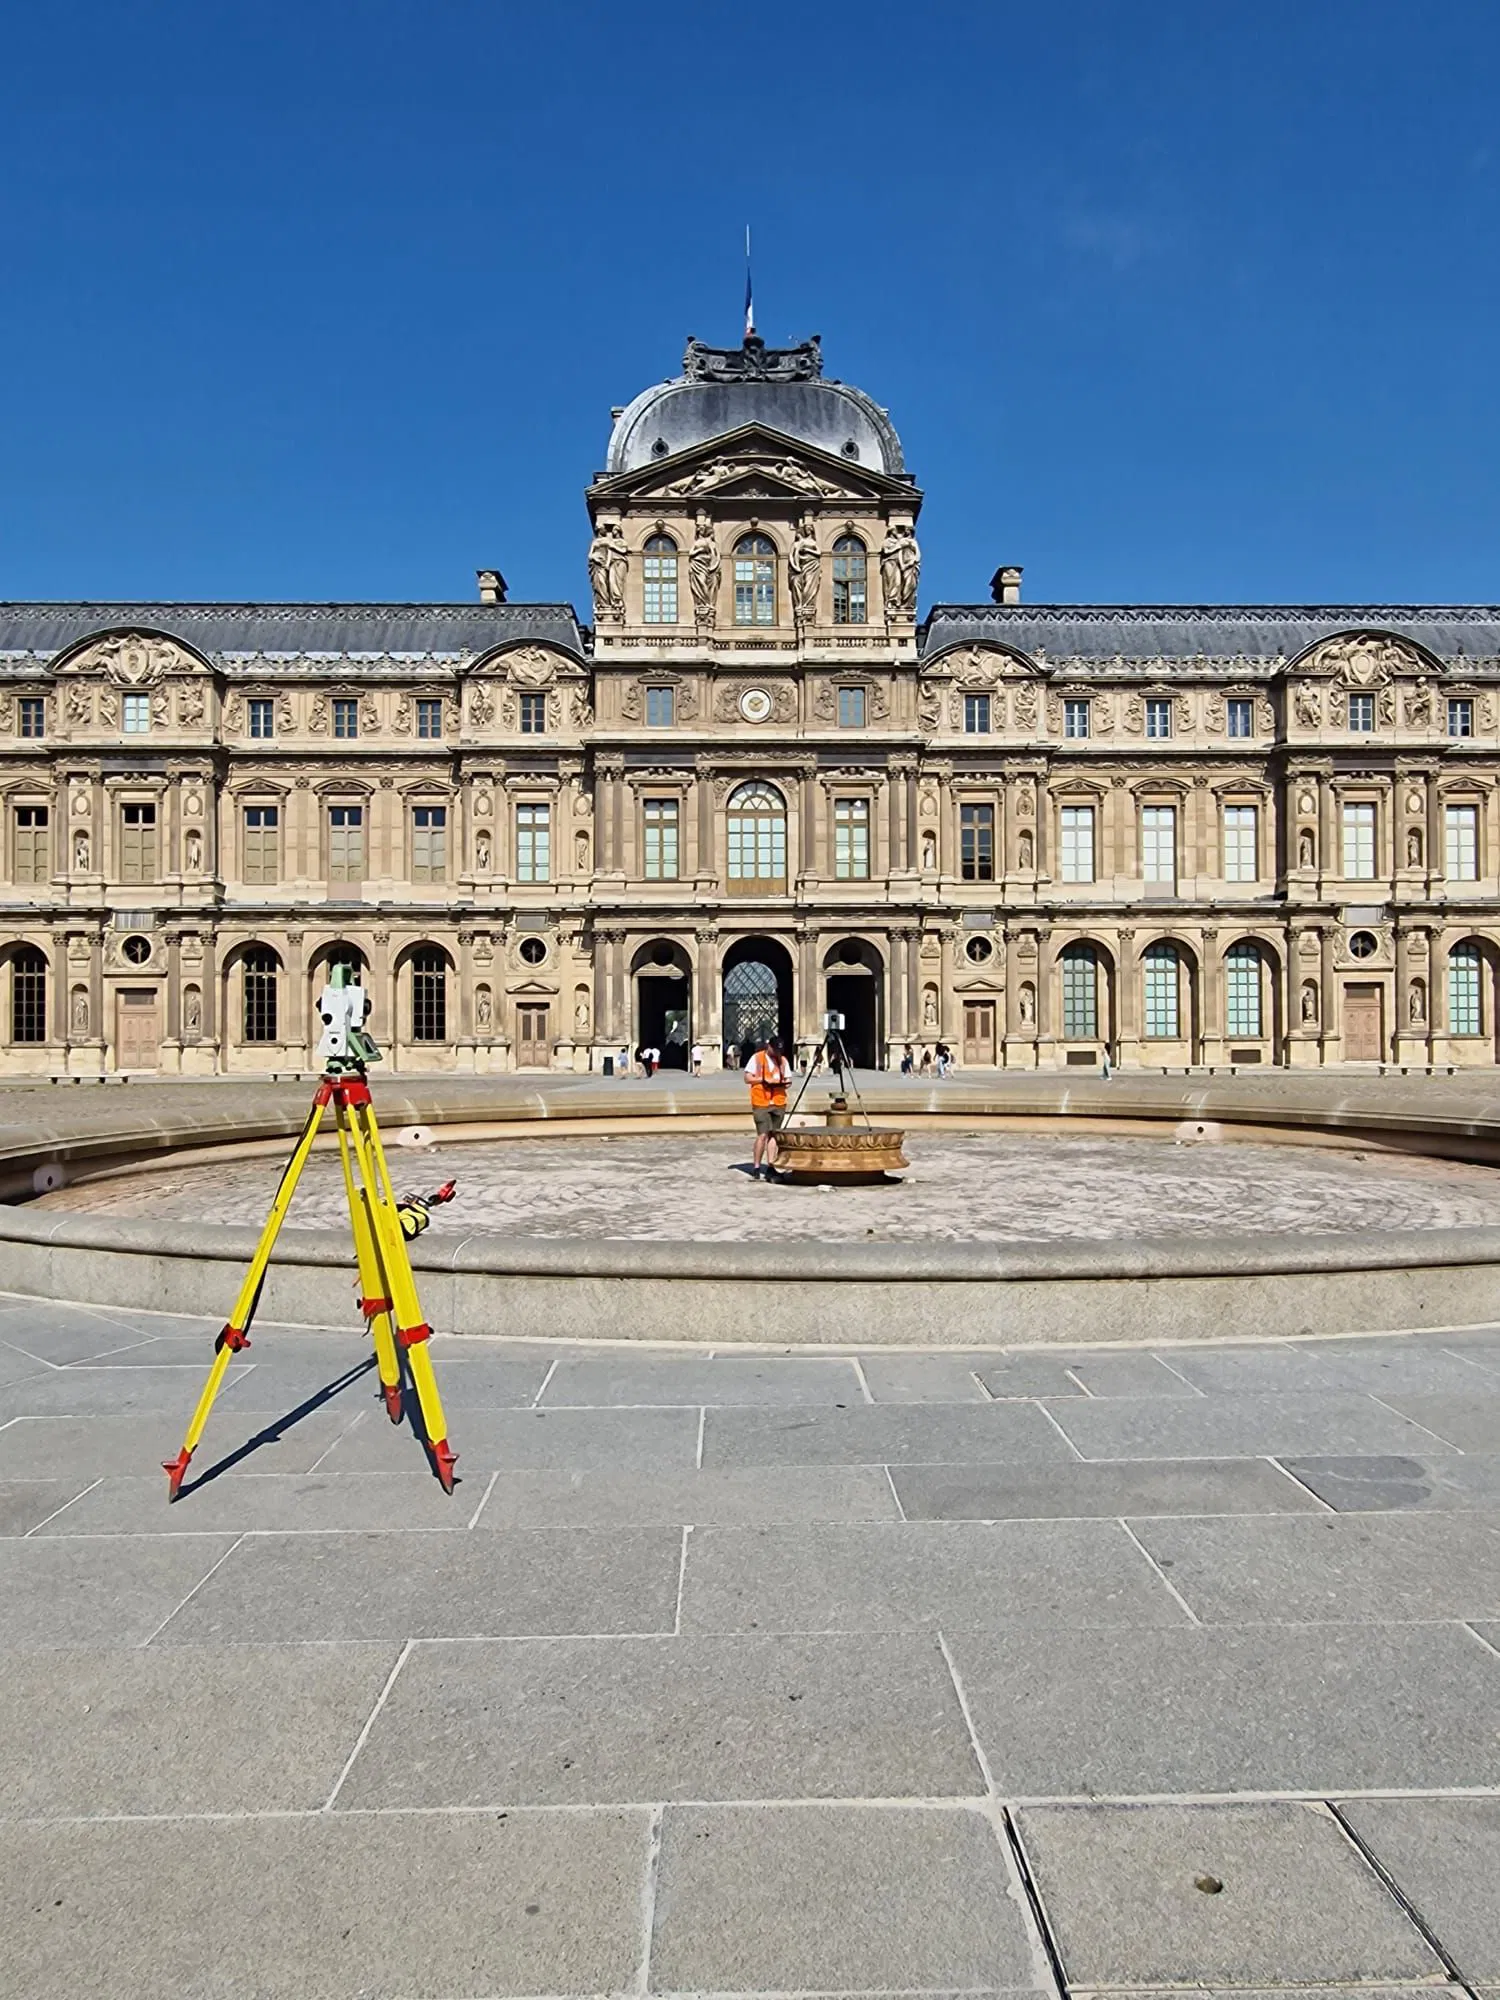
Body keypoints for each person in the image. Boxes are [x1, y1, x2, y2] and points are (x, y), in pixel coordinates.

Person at [744, 1035, 791, 1181]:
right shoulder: (757, 1058)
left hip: (778, 1101)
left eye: (779, 1050)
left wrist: (782, 1083)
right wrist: (763, 1080)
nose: (777, 1052)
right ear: (768, 1046)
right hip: (761, 1101)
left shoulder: (782, 1060)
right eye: (775, 1049)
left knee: (774, 1135)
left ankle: (771, 1165)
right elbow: (747, 1078)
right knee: (762, 1135)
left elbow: (788, 1080)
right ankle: (757, 1167)